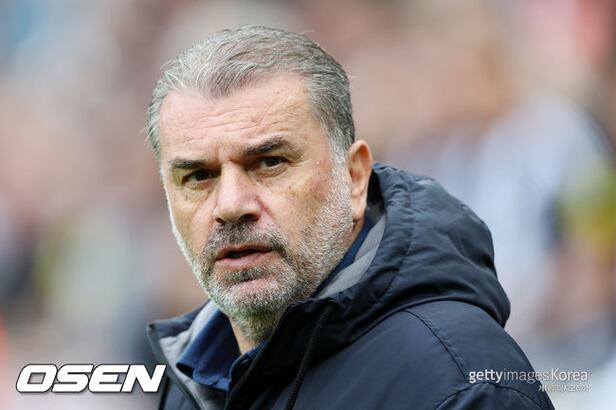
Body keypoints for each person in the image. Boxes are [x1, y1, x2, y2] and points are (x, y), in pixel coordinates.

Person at [145, 25, 554, 410]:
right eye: (198, 176)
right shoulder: (189, 379)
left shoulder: (460, 384)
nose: (231, 205)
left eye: (270, 162)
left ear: (355, 177)